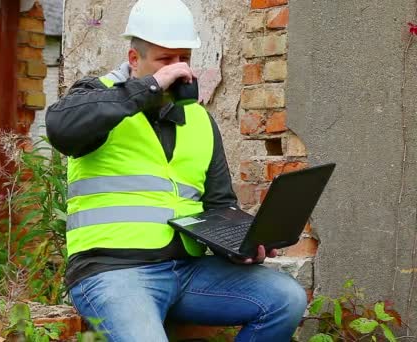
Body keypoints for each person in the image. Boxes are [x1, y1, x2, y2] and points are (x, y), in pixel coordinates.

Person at [45, 0, 307, 340]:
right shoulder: (98, 96)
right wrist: (152, 86)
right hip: (112, 271)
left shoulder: (199, 120)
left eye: (183, 58)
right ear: (134, 60)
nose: (179, 69)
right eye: (165, 60)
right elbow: (62, 130)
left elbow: (219, 205)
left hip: (188, 272)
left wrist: (240, 243)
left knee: (286, 298)